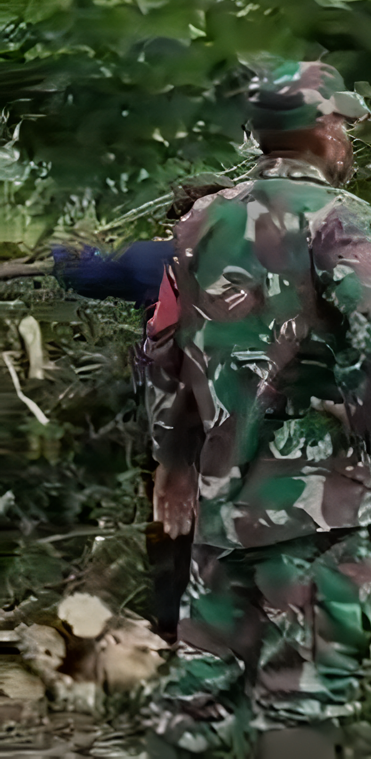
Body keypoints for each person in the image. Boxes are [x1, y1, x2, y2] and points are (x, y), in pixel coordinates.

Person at [145, 61, 371, 759]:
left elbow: (165, 344)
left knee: (199, 692)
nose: (350, 137)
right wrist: (366, 426)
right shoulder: (342, 218)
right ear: (323, 130)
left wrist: (173, 459)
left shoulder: (201, 220)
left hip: (222, 499)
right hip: (319, 506)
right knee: (305, 690)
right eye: (345, 123)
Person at [48, 176, 238, 638]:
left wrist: (72, 244)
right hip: (245, 414)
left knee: (170, 512)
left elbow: (80, 273)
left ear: (177, 217)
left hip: (172, 416)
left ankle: (172, 626)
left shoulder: (154, 257)